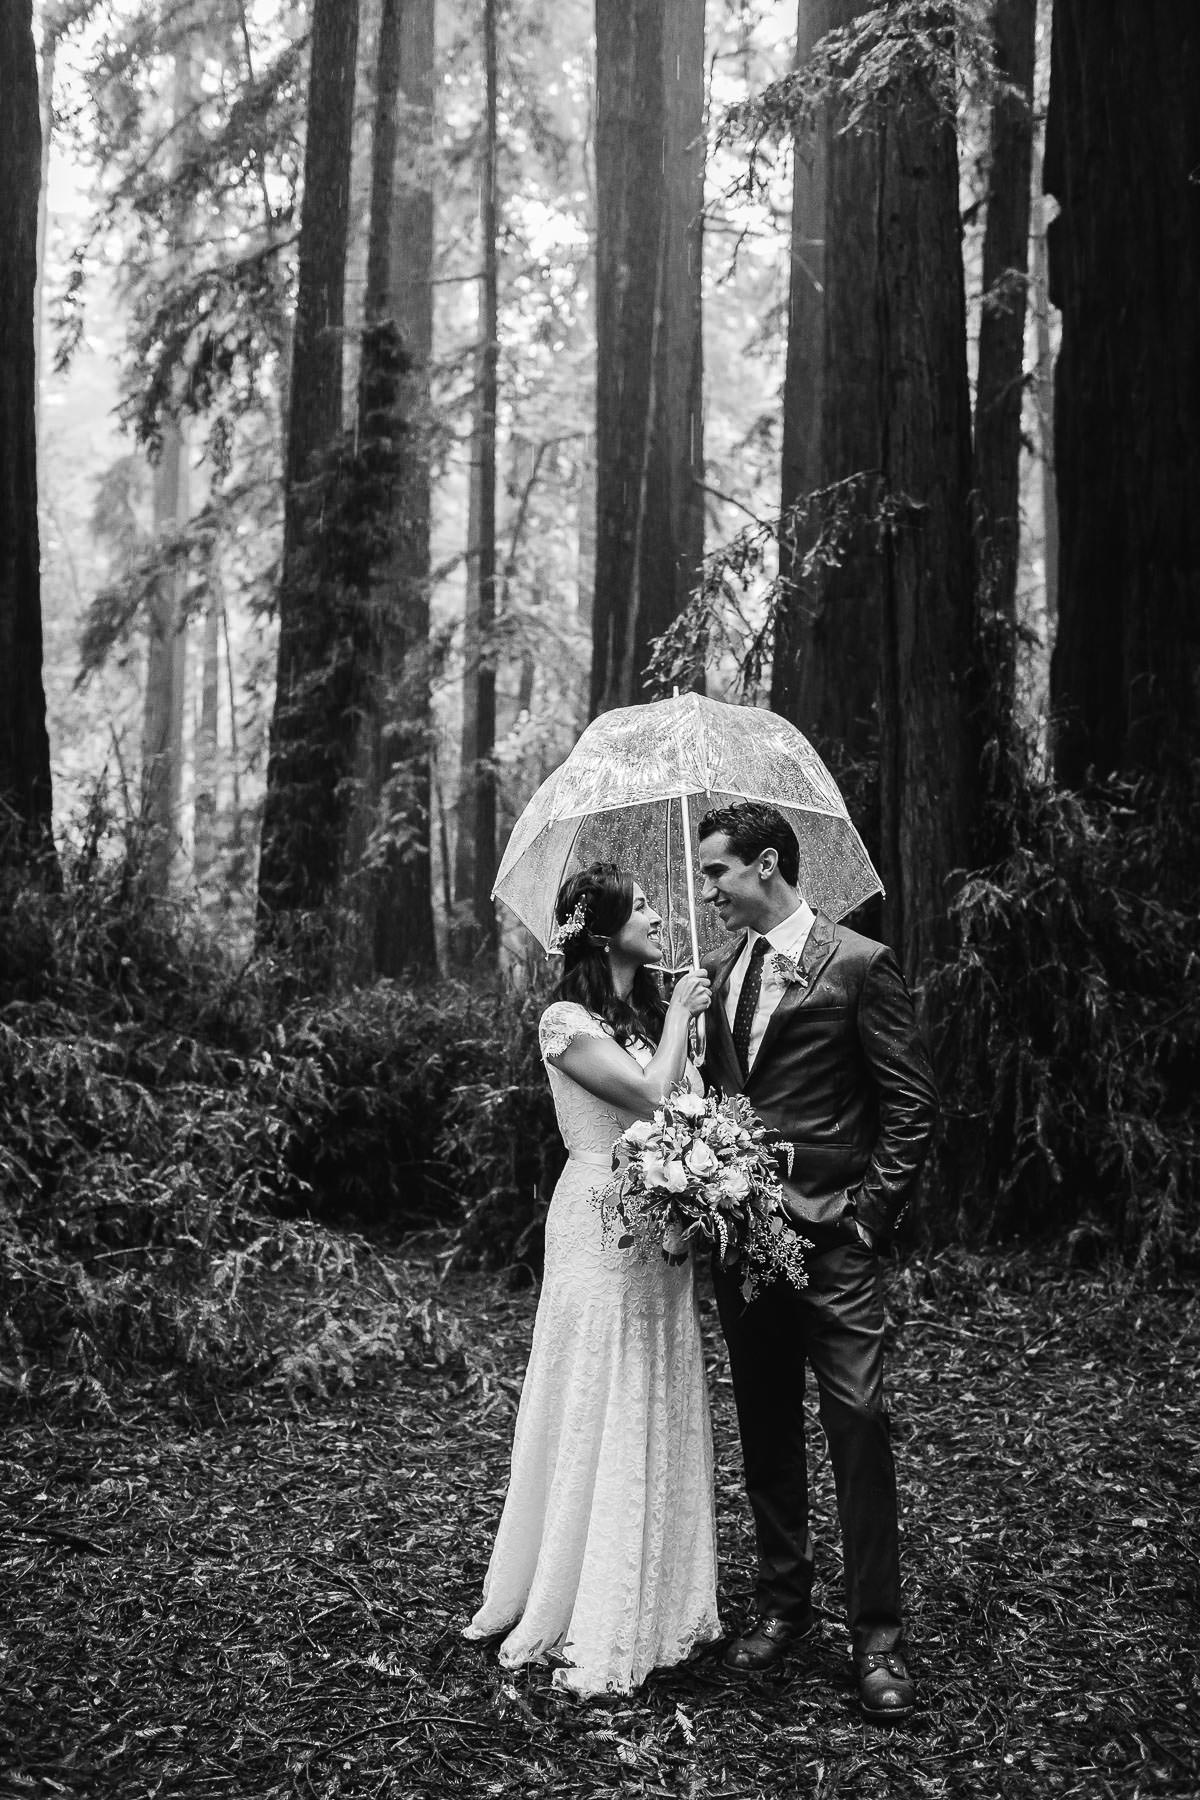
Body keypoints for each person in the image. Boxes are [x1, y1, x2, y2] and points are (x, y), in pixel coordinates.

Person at [696, 801, 938, 1722]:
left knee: (860, 1420)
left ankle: (879, 1640)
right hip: (745, 1243)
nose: (708, 890)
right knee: (764, 1424)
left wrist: (868, 1218)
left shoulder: (861, 966)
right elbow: (727, 1096)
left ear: (766, 864)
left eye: (717, 872)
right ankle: (782, 1605)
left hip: (836, 1239)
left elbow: (911, 1107)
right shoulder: (716, 973)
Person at [464, 861, 719, 1696]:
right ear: (604, 929)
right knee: (600, 1385)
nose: (659, 916)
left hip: (662, 1222)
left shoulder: (648, 1008)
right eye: (643, 907)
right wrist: (680, 1018)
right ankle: (580, 1591)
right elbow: (647, 1094)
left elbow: (685, 1106)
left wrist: (692, 1040)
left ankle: (663, 1592)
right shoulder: (564, 1020)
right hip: (598, 1222)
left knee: (658, 1381)